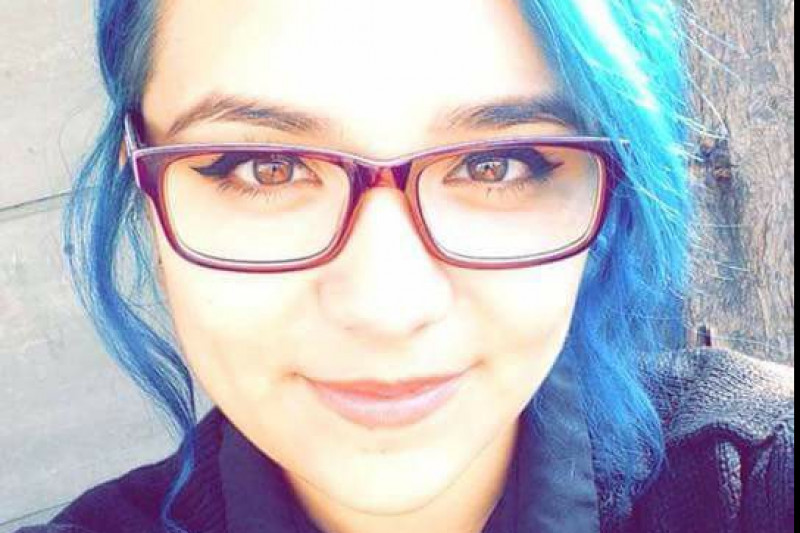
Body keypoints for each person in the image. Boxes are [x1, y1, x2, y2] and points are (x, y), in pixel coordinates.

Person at [17, 0, 794, 532]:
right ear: (143, 185)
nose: (386, 306)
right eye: (266, 167)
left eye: (496, 165)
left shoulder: (759, 480)